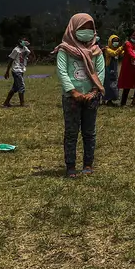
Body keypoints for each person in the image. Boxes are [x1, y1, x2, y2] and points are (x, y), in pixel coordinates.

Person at [57, 13, 105, 178]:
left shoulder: (96, 51)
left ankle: (88, 164)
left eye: (90, 28)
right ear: (73, 29)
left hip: (91, 97)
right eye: (82, 28)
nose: (87, 31)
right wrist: (73, 92)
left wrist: (94, 92)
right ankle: (70, 166)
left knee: (89, 132)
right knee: (71, 132)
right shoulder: (64, 50)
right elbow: (62, 72)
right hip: (71, 98)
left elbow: (100, 72)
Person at [2, 36, 31, 108]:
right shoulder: (16, 50)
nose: (25, 42)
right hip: (16, 70)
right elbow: (10, 61)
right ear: (20, 41)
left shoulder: (25, 48)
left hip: (21, 69)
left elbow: (28, 53)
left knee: (15, 88)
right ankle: (22, 103)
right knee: (21, 86)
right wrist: (7, 71)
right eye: (24, 40)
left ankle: (6, 102)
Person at [118, 31, 135, 107]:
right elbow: (131, 54)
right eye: (134, 35)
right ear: (130, 36)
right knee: (127, 85)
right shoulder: (128, 44)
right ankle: (123, 103)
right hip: (128, 68)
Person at [102, 34, 124, 106]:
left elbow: (122, 53)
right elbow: (114, 54)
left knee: (114, 85)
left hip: (114, 71)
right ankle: (105, 99)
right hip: (108, 70)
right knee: (108, 85)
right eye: (114, 41)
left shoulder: (117, 49)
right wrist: (122, 47)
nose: (116, 42)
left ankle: (110, 100)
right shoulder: (107, 49)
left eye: (117, 41)